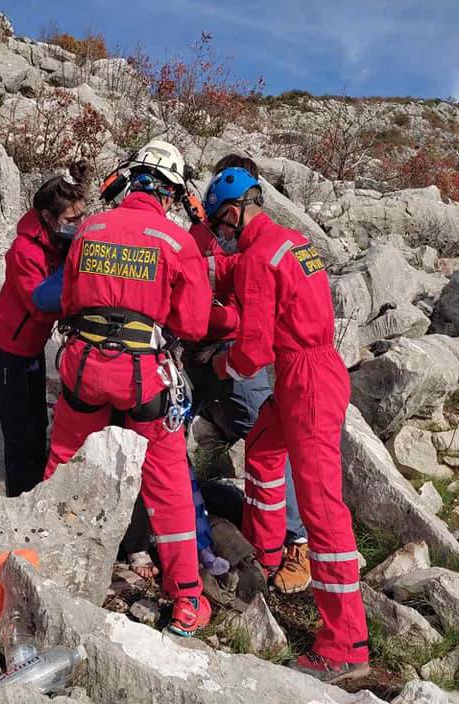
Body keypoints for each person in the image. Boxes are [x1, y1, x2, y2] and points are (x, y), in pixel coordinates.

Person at [206, 164, 370, 682]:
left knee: (324, 510)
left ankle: (345, 645)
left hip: (305, 380)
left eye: (221, 226)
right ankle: (267, 549)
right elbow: (263, 286)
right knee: (262, 448)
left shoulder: (255, 258)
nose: (223, 236)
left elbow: (252, 350)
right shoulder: (290, 240)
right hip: (317, 367)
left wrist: (220, 364)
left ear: (233, 213)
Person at [44, 140, 213, 636]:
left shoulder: (89, 229)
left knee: (63, 461)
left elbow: (69, 301)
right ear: (174, 192)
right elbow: (195, 322)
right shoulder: (177, 242)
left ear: (127, 179)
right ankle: (186, 599)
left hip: (83, 366)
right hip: (143, 376)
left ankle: (50, 565)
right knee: (168, 483)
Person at [186, 154, 312, 594]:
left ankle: (295, 540)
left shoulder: (262, 246)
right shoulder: (202, 232)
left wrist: (215, 332)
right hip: (198, 349)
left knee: (268, 443)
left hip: (233, 352)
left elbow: (247, 316)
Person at [0, 162, 91, 497]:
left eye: (81, 216)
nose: (78, 224)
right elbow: (39, 302)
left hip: (29, 351)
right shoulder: (23, 251)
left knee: (38, 425)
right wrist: (74, 259)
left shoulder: (56, 241)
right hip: (5, 353)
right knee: (19, 431)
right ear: (47, 216)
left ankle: (36, 492)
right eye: (71, 219)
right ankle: (19, 499)